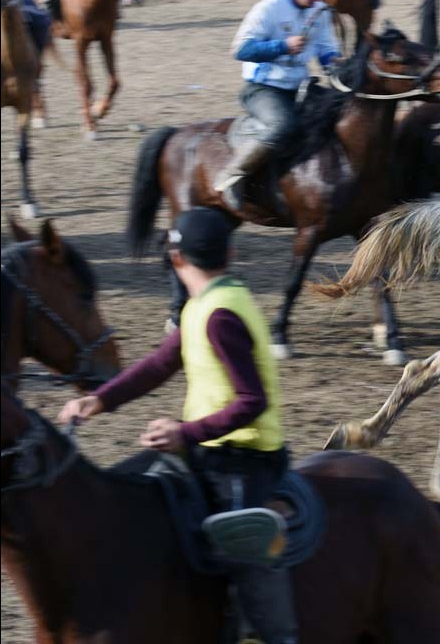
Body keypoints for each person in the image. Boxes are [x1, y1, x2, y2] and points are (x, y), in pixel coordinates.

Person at [58, 207, 299, 644]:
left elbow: (253, 401)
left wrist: (182, 433)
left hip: (244, 461)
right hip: (205, 450)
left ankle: (273, 636)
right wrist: (100, 399)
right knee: (120, 494)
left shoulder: (220, 316)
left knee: (245, 550)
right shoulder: (203, 304)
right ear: (230, 253)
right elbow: (160, 363)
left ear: (176, 259)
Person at [215, 0, 340, 210]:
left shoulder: (320, 12)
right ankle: (233, 176)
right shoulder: (268, 9)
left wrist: (337, 65)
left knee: (339, 116)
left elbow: (327, 50)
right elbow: (240, 50)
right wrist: (282, 46)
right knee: (284, 125)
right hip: (263, 88)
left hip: (300, 87)